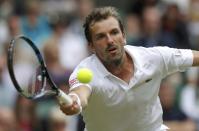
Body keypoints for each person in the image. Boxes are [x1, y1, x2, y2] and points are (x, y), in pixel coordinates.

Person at [59, 6, 199, 131]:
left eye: (114, 32)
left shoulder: (152, 57)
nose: (110, 40)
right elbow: (79, 94)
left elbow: (194, 56)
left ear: (124, 36)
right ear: (91, 46)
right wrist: (75, 102)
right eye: (101, 36)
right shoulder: (84, 71)